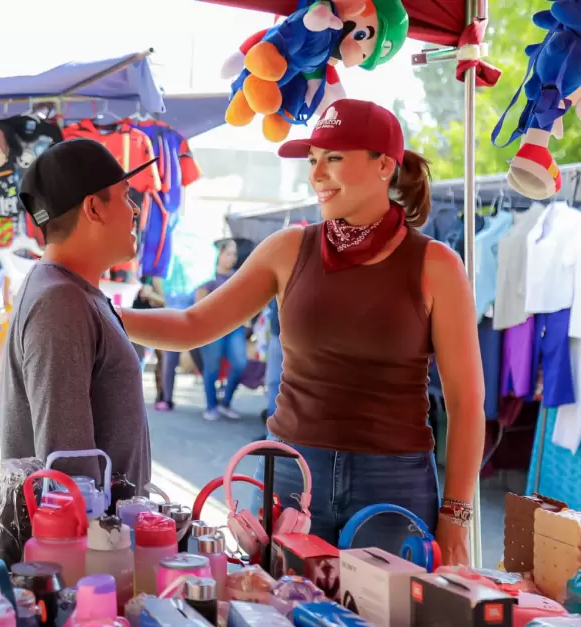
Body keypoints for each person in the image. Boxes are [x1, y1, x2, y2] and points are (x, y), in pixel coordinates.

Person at [118, 99, 483, 565]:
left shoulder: (436, 264)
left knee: (386, 605)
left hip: (394, 481)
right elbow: (194, 325)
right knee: (275, 601)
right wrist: (100, 311)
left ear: (384, 165)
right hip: (291, 473)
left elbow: (467, 403)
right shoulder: (288, 248)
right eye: (312, 160)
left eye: (334, 158)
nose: (317, 174)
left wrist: (456, 517)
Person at [0, 138, 154, 490]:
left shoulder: (68, 292)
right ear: (94, 208)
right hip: (86, 527)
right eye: (125, 196)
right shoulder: (60, 301)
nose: (134, 210)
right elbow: (69, 479)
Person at [195, 239, 249, 421]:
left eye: (234, 254)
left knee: (240, 363)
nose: (232, 258)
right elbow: (198, 306)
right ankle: (211, 406)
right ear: (218, 255)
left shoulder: (240, 276)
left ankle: (225, 403)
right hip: (212, 329)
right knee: (212, 368)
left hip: (235, 327)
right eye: (228, 253)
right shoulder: (207, 278)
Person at [131, 276, 169, 410]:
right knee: (137, 361)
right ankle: (134, 396)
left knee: (163, 361)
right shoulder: (135, 274)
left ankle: (162, 395)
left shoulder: (157, 277)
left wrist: (151, 295)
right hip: (135, 324)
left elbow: (166, 301)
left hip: (156, 323)